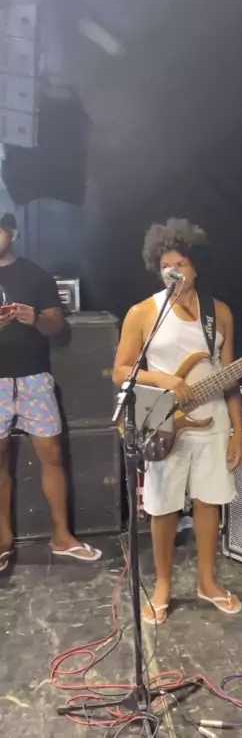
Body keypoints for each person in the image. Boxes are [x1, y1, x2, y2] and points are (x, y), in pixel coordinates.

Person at [113, 218, 242, 624]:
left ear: (195, 266)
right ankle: (163, 586)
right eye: (166, 265)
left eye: (181, 264)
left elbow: (230, 377)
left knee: (208, 502)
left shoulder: (219, 313)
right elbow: (121, 371)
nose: (173, 271)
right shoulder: (143, 313)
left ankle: (207, 581)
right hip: (165, 422)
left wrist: (238, 430)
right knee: (164, 505)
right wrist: (164, 379)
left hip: (214, 421)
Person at [0, 212, 101, 573]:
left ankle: (62, 537)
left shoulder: (36, 274)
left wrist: (35, 318)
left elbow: (58, 325)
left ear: (13, 233)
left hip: (34, 378)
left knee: (52, 455)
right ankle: (3, 542)